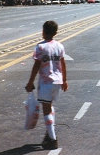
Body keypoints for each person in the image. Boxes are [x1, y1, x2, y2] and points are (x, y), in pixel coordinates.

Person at [25, 20, 68, 150]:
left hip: (46, 82)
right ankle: (49, 134)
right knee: (49, 107)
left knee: (46, 110)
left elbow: (37, 65)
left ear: (43, 32)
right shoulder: (59, 46)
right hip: (57, 81)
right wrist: (65, 80)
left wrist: (30, 82)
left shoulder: (40, 47)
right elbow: (63, 64)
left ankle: (53, 139)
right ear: (55, 32)